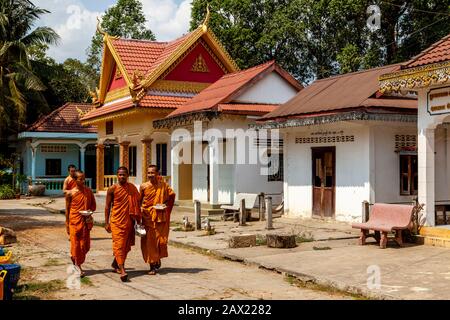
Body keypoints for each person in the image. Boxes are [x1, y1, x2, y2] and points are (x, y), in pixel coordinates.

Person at [104, 166, 141, 282]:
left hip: (129, 221)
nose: (122, 177)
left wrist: (138, 219)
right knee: (119, 245)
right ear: (117, 175)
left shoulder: (132, 188)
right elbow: (107, 206)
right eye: (120, 175)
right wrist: (106, 222)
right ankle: (123, 270)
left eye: (124, 175)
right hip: (116, 221)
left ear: (128, 176)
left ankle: (116, 264)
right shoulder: (112, 189)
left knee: (125, 246)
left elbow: (138, 202)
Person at [139, 165, 176, 275]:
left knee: (161, 240)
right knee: (150, 242)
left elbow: (172, 195)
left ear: (157, 174)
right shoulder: (143, 186)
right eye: (149, 173)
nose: (150, 175)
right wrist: (139, 213)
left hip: (160, 216)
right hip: (147, 216)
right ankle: (152, 265)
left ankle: (157, 258)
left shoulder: (163, 185)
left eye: (152, 173)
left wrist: (165, 205)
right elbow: (139, 201)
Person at [65, 170, 96, 277]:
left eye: (84, 179)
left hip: (85, 222)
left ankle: (75, 258)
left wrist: (89, 213)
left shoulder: (88, 191)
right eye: (80, 179)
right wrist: (67, 224)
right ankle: (78, 266)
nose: (83, 181)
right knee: (75, 245)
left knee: (85, 245)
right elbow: (67, 209)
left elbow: (93, 206)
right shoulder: (70, 193)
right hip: (74, 222)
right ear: (74, 180)